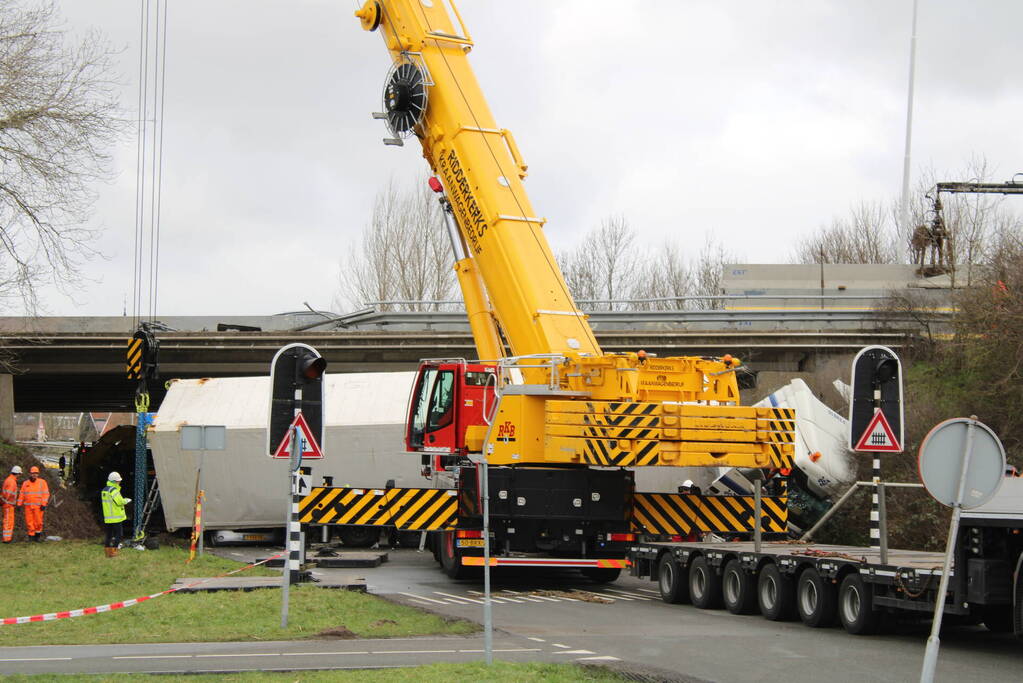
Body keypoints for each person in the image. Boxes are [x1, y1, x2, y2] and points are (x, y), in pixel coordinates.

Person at [101, 472, 131, 557]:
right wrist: (126, 500)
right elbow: (119, 502)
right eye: (118, 481)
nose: (119, 482)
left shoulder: (105, 490)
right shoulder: (114, 490)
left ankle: (107, 552)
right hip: (116, 517)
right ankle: (113, 551)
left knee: (109, 535)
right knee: (119, 534)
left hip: (108, 517)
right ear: (114, 481)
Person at [17, 466, 49, 542]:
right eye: (33, 473)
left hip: (38, 507)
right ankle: (31, 537)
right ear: (30, 474)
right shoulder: (25, 483)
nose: (34, 475)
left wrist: (43, 504)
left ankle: (37, 537)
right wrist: (19, 504)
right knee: (29, 522)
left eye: (36, 473)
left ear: (38, 474)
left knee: (38, 522)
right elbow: (22, 494)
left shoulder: (42, 482)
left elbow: (46, 494)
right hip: (28, 507)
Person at [2, 465, 21, 543]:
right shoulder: (12, 481)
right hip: (8, 505)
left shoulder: (9, 479)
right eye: (20, 474)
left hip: (8, 504)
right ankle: (6, 539)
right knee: (8, 522)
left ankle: (7, 538)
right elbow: (8, 494)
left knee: (9, 521)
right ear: (17, 473)